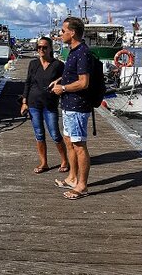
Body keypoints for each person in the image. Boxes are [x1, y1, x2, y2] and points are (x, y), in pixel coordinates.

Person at [51, 17, 91, 200]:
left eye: (62, 31)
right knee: (69, 142)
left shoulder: (82, 52)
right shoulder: (72, 51)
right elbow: (73, 74)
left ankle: (82, 186)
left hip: (77, 106)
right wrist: (59, 81)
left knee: (79, 145)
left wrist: (64, 88)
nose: (60, 34)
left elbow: (84, 82)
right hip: (68, 105)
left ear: (72, 32)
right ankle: (73, 177)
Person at [21, 37, 69, 174]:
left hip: (50, 105)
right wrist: (24, 102)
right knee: (39, 134)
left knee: (55, 134)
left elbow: (67, 78)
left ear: (50, 48)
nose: (41, 50)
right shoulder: (33, 64)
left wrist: (58, 80)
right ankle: (44, 163)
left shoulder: (58, 64)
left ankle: (64, 160)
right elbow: (28, 83)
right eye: (39, 47)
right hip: (33, 104)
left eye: (44, 47)